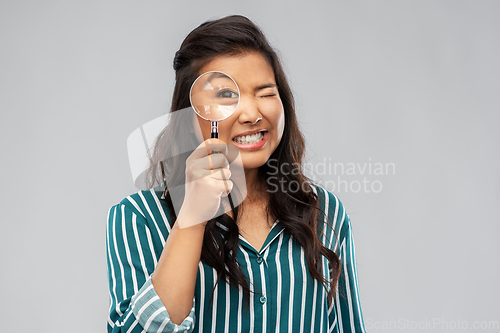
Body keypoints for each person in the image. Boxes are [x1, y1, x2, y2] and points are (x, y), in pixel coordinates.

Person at [106, 15, 366, 333]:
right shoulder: (138, 217)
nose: (252, 114)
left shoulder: (325, 213)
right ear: (190, 115)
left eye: (265, 92)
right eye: (227, 95)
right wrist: (191, 217)